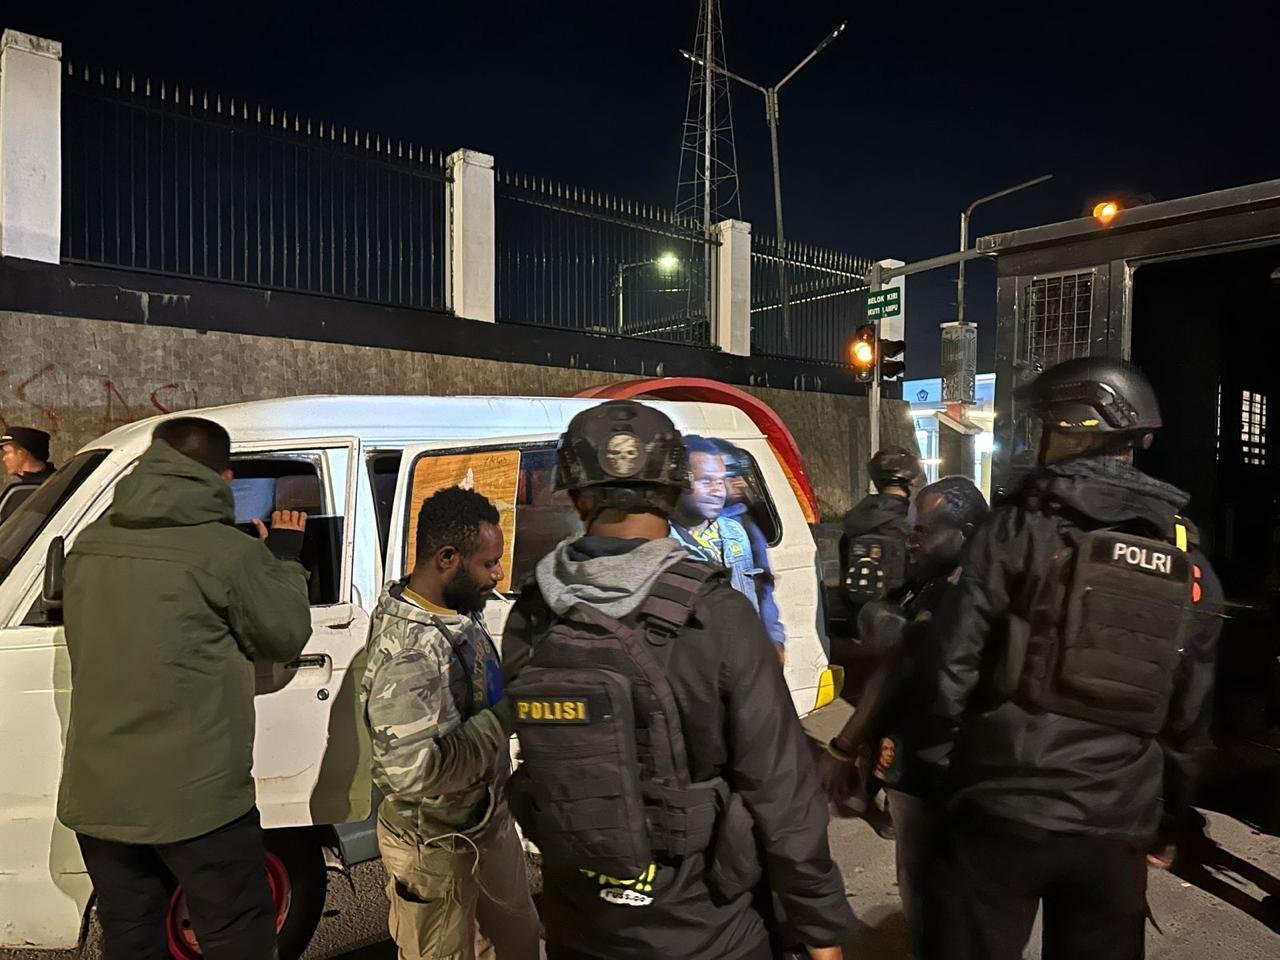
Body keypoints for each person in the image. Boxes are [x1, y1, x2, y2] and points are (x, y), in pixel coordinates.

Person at [503, 400, 853, 960]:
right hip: (711, 934)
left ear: (576, 496)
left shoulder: (533, 614)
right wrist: (821, 931)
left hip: (582, 928)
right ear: (673, 491)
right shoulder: (718, 614)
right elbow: (781, 789)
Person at [918, 357, 1223, 960]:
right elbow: (1190, 712)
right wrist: (1169, 819)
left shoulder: (1013, 528)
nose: (1036, 440)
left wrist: (939, 775)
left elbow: (949, 667)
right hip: (1116, 821)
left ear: (1075, 430)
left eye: (1044, 426)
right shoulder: (1183, 553)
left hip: (1001, 805)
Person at [57, 417, 313, 960]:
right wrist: (285, 559)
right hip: (198, 799)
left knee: (130, 934)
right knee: (236, 933)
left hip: (100, 791)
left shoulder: (90, 544)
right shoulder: (227, 553)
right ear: (224, 478)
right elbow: (285, 635)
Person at [361, 485, 539, 960]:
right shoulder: (410, 653)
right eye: (488, 564)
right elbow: (411, 772)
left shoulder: (452, 609)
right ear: (446, 558)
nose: (498, 574)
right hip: (436, 849)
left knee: (519, 942)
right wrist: (507, 716)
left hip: (482, 826)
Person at [819, 476, 988, 955]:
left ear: (966, 534)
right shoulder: (979, 587)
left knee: (923, 879)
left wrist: (844, 747)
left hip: (929, 767)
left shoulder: (948, 597)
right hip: (968, 766)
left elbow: (898, 671)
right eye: (911, 529)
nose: (910, 541)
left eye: (923, 531)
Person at [669, 435, 785, 662]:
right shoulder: (665, 540)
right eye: (706, 481)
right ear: (680, 482)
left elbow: (758, 588)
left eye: (721, 481)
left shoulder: (735, 532)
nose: (718, 491)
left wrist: (772, 639)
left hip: (744, 656)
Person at [714, 440, 788, 659]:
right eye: (732, 476)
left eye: (741, 476)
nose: (742, 484)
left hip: (746, 644)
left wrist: (774, 637)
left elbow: (762, 585)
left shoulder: (745, 526)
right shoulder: (684, 530)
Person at [839, 446, 921, 619]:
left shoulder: (853, 521)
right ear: (912, 481)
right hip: (902, 617)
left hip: (860, 617)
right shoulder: (915, 522)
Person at [1, 426, 57, 521]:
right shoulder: (58, 479)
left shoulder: (23, 492)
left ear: (22, 453)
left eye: (7, 452)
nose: (4, 458)